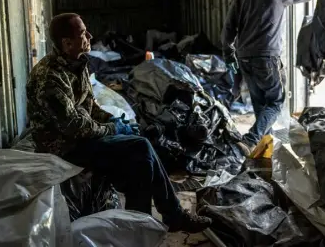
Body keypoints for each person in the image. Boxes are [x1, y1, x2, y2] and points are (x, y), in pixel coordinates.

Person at [26, 13, 212, 233]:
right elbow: (75, 127)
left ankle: (143, 223)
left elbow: (89, 106)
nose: (90, 36)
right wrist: (112, 129)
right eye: (83, 33)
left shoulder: (77, 63)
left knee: (141, 153)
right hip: (63, 147)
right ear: (67, 43)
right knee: (140, 148)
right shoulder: (50, 77)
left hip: (79, 138)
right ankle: (158, 220)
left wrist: (111, 119)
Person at [221, 0, 325, 154]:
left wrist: (228, 55)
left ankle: (264, 151)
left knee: (261, 106)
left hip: (244, 58)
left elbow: (228, 29)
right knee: (276, 103)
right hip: (266, 58)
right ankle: (251, 140)